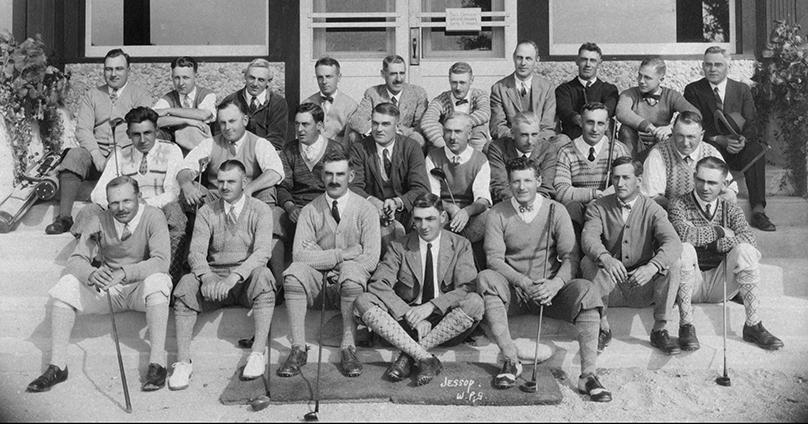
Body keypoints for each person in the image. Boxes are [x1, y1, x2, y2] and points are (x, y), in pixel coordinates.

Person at [477, 157, 610, 402]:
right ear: (509, 183)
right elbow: (494, 260)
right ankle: (510, 360)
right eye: (516, 181)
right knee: (487, 278)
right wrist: (524, 283)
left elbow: (570, 255)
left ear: (538, 180)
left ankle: (588, 375)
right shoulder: (497, 213)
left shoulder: (555, 210)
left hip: (551, 292)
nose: (522, 187)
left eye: (527, 180)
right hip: (516, 291)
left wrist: (555, 284)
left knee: (588, 290)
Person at [26, 176, 172, 392]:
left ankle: (157, 363)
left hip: (139, 288)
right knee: (66, 284)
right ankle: (58, 365)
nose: (120, 208)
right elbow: (76, 260)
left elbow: (162, 261)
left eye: (127, 201)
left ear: (139, 197)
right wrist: (92, 274)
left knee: (159, 280)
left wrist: (125, 272)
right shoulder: (98, 219)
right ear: (108, 203)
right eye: (114, 203)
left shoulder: (153, 216)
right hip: (108, 290)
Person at [354, 193, 483, 386]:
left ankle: (408, 355)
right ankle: (426, 359)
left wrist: (432, 306)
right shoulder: (399, 246)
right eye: (418, 219)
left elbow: (467, 287)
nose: (424, 226)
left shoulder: (460, 244)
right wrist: (408, 313)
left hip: (445, 321)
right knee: (363, 300)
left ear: (442, 218)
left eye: (430, 219)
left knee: (475, 303)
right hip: (407, 322)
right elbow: (378, 284)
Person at [168, 160, 276, 388]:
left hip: (244, 280)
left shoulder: (261, 210)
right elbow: (196, 253)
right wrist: (207, 277)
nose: (225, 186)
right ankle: (182, 361)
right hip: (215, 280)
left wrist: (233, 277)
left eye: (231, 181)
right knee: (186, 284)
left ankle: (257, 353)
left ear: (244, 182)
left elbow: (262, 253)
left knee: (264, 276)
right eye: (221, 181)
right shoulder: (207, 211)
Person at [278, 150, 380, 378]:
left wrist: (328, 260)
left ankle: (348, 346)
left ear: (351, 176)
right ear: (321, 176)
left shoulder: (366, 210)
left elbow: (370, 259)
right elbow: (299, 256)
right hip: (319, 286)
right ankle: (298, 348)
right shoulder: (309, 210)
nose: (334, 180)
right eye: (329, 174)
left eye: (340, 174)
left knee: (353, 271)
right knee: (294, 273)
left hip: (351, 287)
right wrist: (341, 255)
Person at [669, 157, 783, 352]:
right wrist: (720, 231)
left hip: (720, 284)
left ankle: (753, 325)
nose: (705, 187)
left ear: (724, 184)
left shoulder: (730, 208)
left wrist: (717, 244)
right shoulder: (678, 204)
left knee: (746, 251)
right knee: (685, 248)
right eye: (701, 180)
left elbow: (749, 239)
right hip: (689, 282)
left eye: (712, 182)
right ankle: (686, 325)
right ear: (694, 177)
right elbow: (684, 234)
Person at [71, 107, 187, 281]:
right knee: (89, 212)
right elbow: (98, 193)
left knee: (176, 213)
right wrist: (122, 205)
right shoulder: (121, 153)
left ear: (157, 131)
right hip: (123, 208)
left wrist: (142, 206)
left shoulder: (171, 150)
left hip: (157, 210)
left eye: (148, 133)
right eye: (136, 134)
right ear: (128, 134)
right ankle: (96, 273)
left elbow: (173, 192)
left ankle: (169, 276)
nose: (142, 140)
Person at [581, 156, 683, 355]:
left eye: (626, 177)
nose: (620, 183)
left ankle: (660, 329)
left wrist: (653, 266)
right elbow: (589, 238)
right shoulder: (598, 206)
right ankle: (602, 327)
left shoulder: (653, 208)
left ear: (639, 180)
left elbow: (673, 242)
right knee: (589, 261)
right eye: (616, 178)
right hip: (610, 286)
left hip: (641, 285)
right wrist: (606, 257)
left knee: (673, 263)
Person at [46, 49, 152, 235]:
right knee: (74, 155)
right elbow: (83, 129)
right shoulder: (93, 95)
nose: (113, 74)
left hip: (125, 152)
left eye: (119, 69)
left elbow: (140, 128)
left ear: (129, 69)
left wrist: (118, 150)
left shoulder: (139, 95)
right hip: (96, 153)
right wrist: (95, 154)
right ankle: (64, 217)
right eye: (108, 69)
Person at [684, 46, 775, 231]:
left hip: (738, 149)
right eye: (708, 65)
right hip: (711, 147)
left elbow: (752, 122)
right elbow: (693, 123)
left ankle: (758, 210)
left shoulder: (741, 89)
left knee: (756, 149)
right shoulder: (694, 90)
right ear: (703, 66)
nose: (713, 69)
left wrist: (742, 140)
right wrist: (718, 139)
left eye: (718, 64)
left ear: (728, 66)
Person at [176, 97, 284, 209]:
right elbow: (184, 168)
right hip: (217, 200)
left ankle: (258, 225)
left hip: (249, 199)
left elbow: (275, 172)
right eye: (223, 123)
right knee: (189, 188)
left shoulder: (259, 143)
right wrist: (186, 185)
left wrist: (250, 188)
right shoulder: (210, 143)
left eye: (232, 121)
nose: (227, 128)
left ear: (245, 120)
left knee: (268, 191)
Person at [349, 103, 430, 238]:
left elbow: (421, 188)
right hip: (372, 213)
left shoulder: (411, 147)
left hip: (406, 212)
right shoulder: (359, 149)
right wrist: (372, 202)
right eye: (375, 123)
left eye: (385, 124)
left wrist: (397, 202)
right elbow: (353, 187)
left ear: (397, 126)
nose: (379, 129)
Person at [554, 103, 630, 233]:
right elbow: (561, 191)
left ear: (607, 125)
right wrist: (593, 194)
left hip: (607, 208)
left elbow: (628, 184)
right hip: (578, 210)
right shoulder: (566, 151)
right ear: (581, 123)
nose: (595, 129)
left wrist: (601, 200)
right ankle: (574, 252)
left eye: (600, 124)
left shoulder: (618, 149)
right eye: (590, 122)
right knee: (570, 208)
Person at [641, 111, 738, 209]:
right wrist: (683, 209)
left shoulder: (711, 152)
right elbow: (652, 197)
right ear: (672, 131)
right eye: (680, 136)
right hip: (671, 215)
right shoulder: (658, 154)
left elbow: (730, 187)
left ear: (701, 135)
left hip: (706, 214)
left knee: (730, 196)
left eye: (691, 137)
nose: (685, 143)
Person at [277, 103, 345, 242]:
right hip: (297, 209)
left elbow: (341, 188)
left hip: (326, 209)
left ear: (319, 126)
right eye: (296, 124)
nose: (299, 130)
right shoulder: (289, 150)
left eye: (305, 124)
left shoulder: (335, 149)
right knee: (274, 218)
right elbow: (283, 186)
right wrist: (290, 207)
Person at [424, 113, 491, 251]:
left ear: (469, 134)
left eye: (458, 132)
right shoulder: (433, 157)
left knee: (489, 217)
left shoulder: (480, 159)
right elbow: (432, 198)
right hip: (442, 213)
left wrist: (466, 212)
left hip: (470, 216)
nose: (452, 137)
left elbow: (483, 199)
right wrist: (450, 208)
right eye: (448, 131)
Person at [616, 57, 700, 161]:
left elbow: (695, 114)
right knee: (625, 129)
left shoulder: (671, 95)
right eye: (640, 75)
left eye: (647, 77)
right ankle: (629, 167)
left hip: (661, 142)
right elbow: (622, 112)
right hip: (635, 145)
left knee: (677, 134)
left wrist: (671, 127)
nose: (641, 81)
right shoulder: (629, 94)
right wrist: (648, 126)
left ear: (661, 79)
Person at [348, 55, 429, 147]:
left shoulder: (418, 93)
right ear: (383, 74)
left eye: (402, 73)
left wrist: (401, 132)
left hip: (405, 140)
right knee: (353, 136)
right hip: (378, 139)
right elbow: (356, 120)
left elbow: (422, 124)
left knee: (418, 138)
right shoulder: (373, 93)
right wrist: (382, 130)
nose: (399, 79)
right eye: (393, 74)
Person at [490, 40, 556, 143]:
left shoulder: (547, 88)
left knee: (562, 140)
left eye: (528, 59)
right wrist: (520, 138)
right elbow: (497, 126)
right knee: (488, 146)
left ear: (537, 60)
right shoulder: (499, 88)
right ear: (513, 58)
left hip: (539, 143)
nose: (523, 63)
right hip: (511, 142)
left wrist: (532, 140)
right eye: (519, 58)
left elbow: (548, 126)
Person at [487, 112, 557, 203]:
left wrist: (532, 207)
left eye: (534, 134)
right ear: (512, 134)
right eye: (524, 135)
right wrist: (518, 206)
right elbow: (500, 185)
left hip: (537, 205)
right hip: (507, 204)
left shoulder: (547, 150)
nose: (530, 141)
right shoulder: (498, 149)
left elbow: (546, 187)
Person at [555, 42, 619, 143]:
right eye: (584, 60)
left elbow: (609, 110)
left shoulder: (609, 90)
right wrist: (580, 120)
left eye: (592, 60)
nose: (588, 64)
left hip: (602, 139)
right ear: (577, 61)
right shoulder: (564, 90)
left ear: (599, 63)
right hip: (573, 139)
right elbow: (565, 111)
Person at [152, 56, 217, 153]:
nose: (181, 83)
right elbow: (153, 120)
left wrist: (169, 111)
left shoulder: (206, 95)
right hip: (175, 146)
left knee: (191, 130)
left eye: (185, 78)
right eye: (177, 78)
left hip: (200, 146)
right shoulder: (168, 98)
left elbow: (203, 115)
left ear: (196, 76)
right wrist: (185, 121)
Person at [421, 62, 490, 151]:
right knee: (438, 128)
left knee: (479, 130)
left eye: (462, 83)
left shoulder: (479, 95)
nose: (458, 87)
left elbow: (484, 113)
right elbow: (427, 122)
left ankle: (473, 162)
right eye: (454, 82)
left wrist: (459, 124)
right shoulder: (442, 99)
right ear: (449, 80)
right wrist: (445, 148)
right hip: (449, 145)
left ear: (471, 80)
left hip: (474, 147)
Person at [222, 58, 288, 150]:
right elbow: (221, 135)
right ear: (245, 76)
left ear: (268, 82)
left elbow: (276, 140)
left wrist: (252, 154)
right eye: (252, 78)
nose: (255, 84)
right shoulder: (230, 101)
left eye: (261, 80)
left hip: (265, 155)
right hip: (235, 154)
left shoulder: (278, 103)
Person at [302, 57, 358, 146]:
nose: (324, 81)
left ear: (339, 77)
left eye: (328, 77)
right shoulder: (307, 104)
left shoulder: (351, 106)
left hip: (340, 156)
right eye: (320, 77)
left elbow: (352, 141)